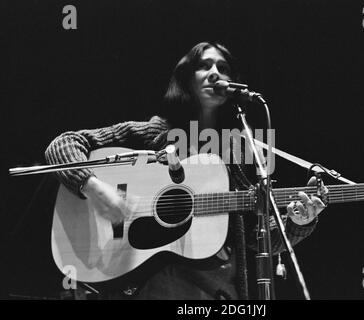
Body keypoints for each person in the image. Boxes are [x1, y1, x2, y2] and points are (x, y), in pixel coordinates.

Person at [45, 41, 326, 300]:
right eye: (204, 65)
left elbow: (257, 238)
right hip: (154, 285)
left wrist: (298, 224)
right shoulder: (155, 133)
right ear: (186, 77)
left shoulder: (238, 154)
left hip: (217, 289)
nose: (215, 73)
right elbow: (64, 145)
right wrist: (97, 189)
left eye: (223, 68)